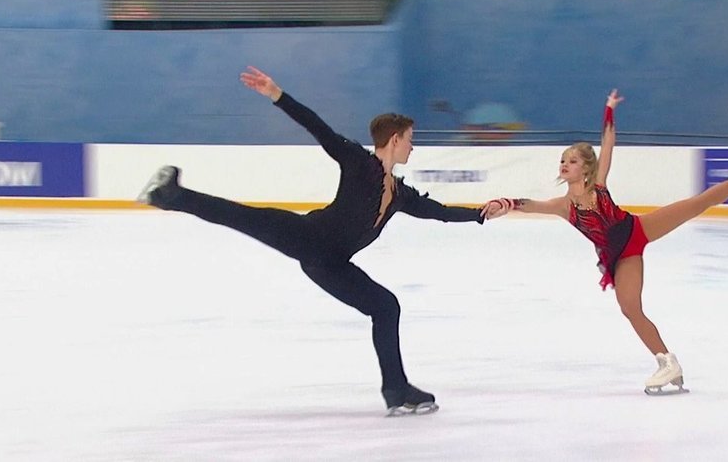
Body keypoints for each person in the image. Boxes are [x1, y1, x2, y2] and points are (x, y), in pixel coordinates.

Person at [138, 66, 499, 415]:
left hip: (331, 264)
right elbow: (318, 128)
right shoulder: (358, 162)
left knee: (386, 307)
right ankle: (170, 195)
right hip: (307, 236)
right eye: (409, 139)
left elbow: (437, 211)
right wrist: (276, 95)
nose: (412, 147)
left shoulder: (399, 193)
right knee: (245, 216)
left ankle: (396, 390)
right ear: (394, 139)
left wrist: (480, 214)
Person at [482, 89, 728, 395]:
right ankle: (667, 362)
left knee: (696, 204)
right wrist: (503, 204)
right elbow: (530, 204)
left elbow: (608, 143)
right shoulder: (563, 206)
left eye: (572, 161)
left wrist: (609, 109)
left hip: (638, 230)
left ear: (586, 168)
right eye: (563, 160)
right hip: (620, 256)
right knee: (630, 308)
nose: (564, 164)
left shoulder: (598, 186)